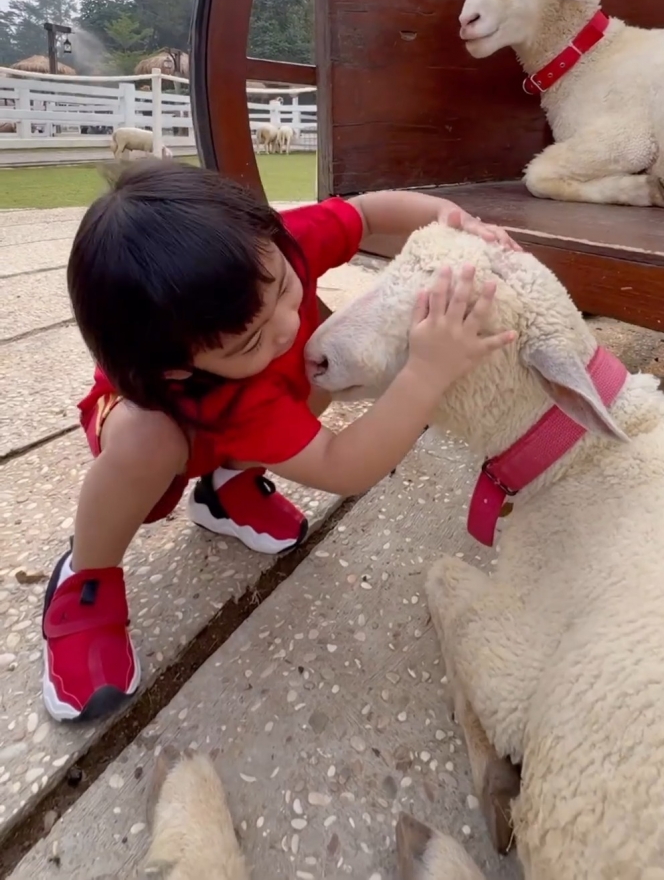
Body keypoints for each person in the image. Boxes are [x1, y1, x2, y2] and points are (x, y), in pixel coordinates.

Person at [42, 162, 518, 722]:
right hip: (167, 424)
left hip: (250, 409)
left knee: (316, 354)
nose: (286, 324)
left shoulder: (270, 256)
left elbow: (366, 213)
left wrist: (443, 217)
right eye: (251, 339)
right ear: (178, 366)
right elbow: (341, 466)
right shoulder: (218, 393)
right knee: (148, 440)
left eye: (287, 292)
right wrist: (425, 374)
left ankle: (227, 487)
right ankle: (85, 580)